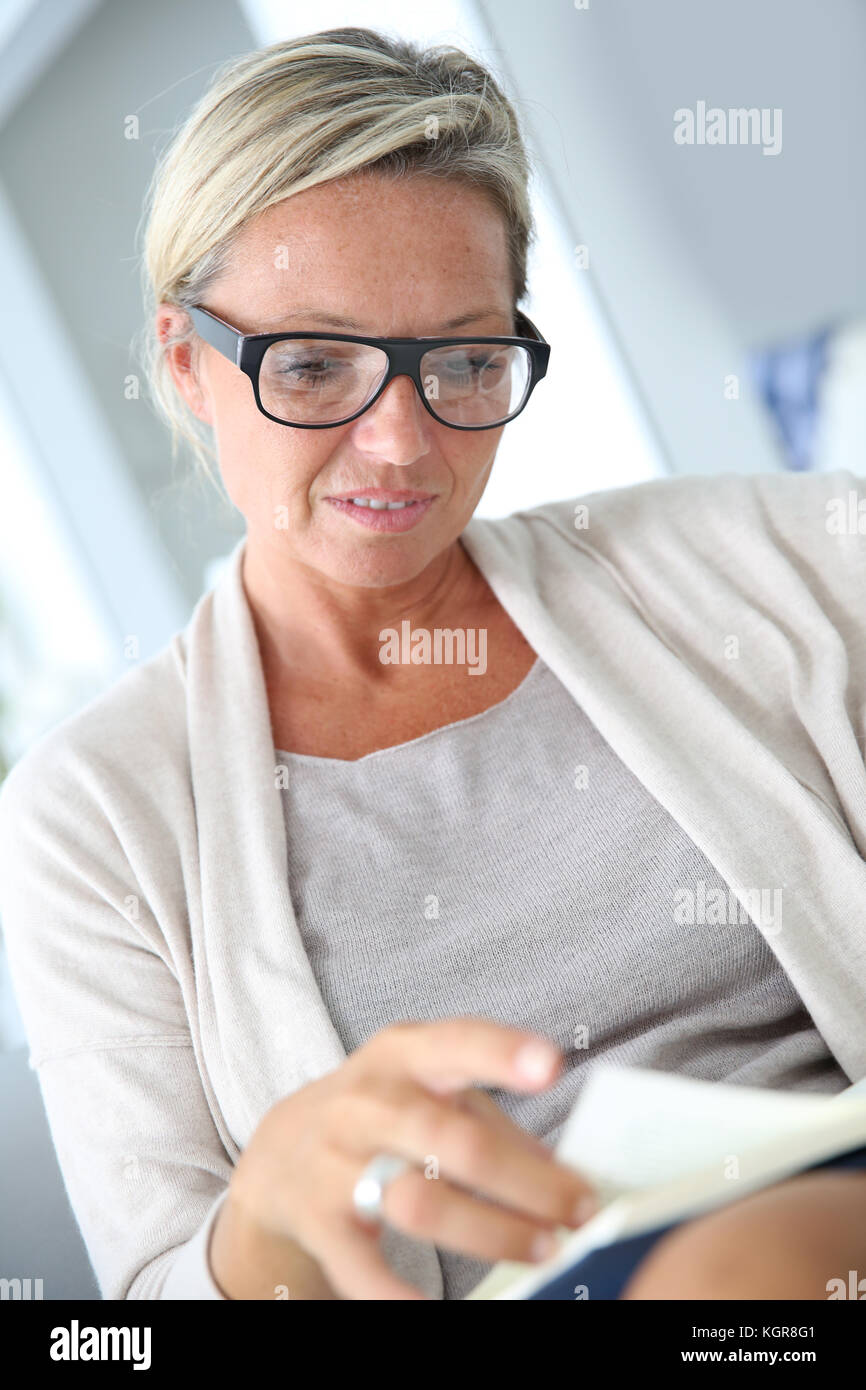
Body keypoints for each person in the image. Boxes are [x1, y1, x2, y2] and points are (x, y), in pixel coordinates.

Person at [2, 26, 866, 1303]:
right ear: (187, 362)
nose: (400, 441)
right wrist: (260, 1228)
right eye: (312, 365)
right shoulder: (92, 819)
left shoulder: (770, 558)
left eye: (463, 361)